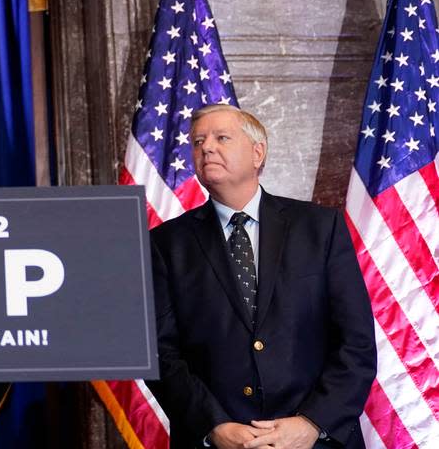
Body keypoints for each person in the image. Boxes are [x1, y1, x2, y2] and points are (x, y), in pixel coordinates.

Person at [148, 104, 375, 449]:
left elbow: (356, 343)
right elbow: (162, 354)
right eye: (197, 142)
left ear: (258, 153)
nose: (206, 147)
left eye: (221, 137)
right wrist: (215, 427)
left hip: (315, 441)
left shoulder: (319, 228)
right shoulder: (166, 243)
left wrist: (312, 424)